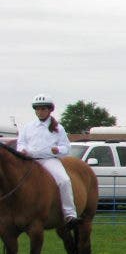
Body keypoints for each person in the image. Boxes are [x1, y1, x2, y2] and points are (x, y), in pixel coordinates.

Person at [16, 93, 78, 225]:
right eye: (37, 109)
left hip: (49, 161)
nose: (40, 111)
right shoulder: (27, 127)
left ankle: (70, 214)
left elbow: (66, 147)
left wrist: (58, 150)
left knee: (64, 181)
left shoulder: (58, 128)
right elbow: (20, 143)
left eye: (43, 108)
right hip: (31, 161)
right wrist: (22, 151)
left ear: (50, 110)